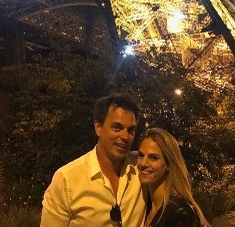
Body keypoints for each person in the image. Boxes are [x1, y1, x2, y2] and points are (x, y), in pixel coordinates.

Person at [40, 92, 146, 226]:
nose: (125, 136)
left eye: (130, 130)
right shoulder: (67, 179)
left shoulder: (142, 168)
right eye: (117, 127)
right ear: (98, 127)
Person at [137, 127, 208, 227]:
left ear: (169, 164)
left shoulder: (179, 212)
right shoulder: (145, 206)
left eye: (153, 158)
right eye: (140, 155)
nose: (143, 163)